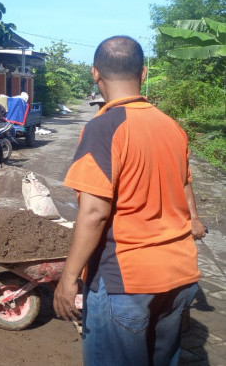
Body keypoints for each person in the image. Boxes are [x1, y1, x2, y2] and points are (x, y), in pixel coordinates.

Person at [53, 36, 206, 366]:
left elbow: (93, 213)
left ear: (96, 74)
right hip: (179, 275)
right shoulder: (171, 127)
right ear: (144, 71)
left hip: (126, 280)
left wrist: (68, 278)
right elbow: (183, 187)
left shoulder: (103, 128)